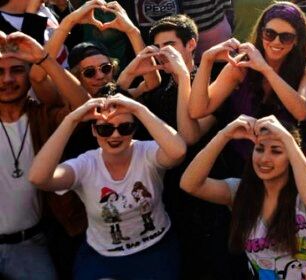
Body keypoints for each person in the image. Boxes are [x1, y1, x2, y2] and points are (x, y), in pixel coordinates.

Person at [28, 93, 187, 280]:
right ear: (94, 131)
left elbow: (178, 152)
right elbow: (39, 178)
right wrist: (71, 120)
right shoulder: (86, 165)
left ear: (134, 129)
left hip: (155, 249)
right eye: (105, 129)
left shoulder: (147, 153)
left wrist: (138, 109)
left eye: (125, 127)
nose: (115, 135)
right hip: (103, 256)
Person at [181, 114, 306, 278]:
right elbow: (189, 184)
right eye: (259, 149)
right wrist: (224, 135)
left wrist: (288, 139)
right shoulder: (239, 192)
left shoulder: (305, 192)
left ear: (292, 156)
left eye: (276, 151)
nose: (264, 158)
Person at [0, 31, 89, 280]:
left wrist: (44, 58)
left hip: (30, 246)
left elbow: (81, 109)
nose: (7, 79)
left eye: (16, 70)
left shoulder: (42, 118)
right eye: (0, 71)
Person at [189, 2, 306, 143]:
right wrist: (207, 60)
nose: (276, 41)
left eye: (286, 37)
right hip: (240, 154)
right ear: (261, 33)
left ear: (296, 40)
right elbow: (197, 110)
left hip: (283, 155)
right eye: (270, 34)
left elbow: (302, 112)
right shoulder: (241, 66)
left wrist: (266, 69)